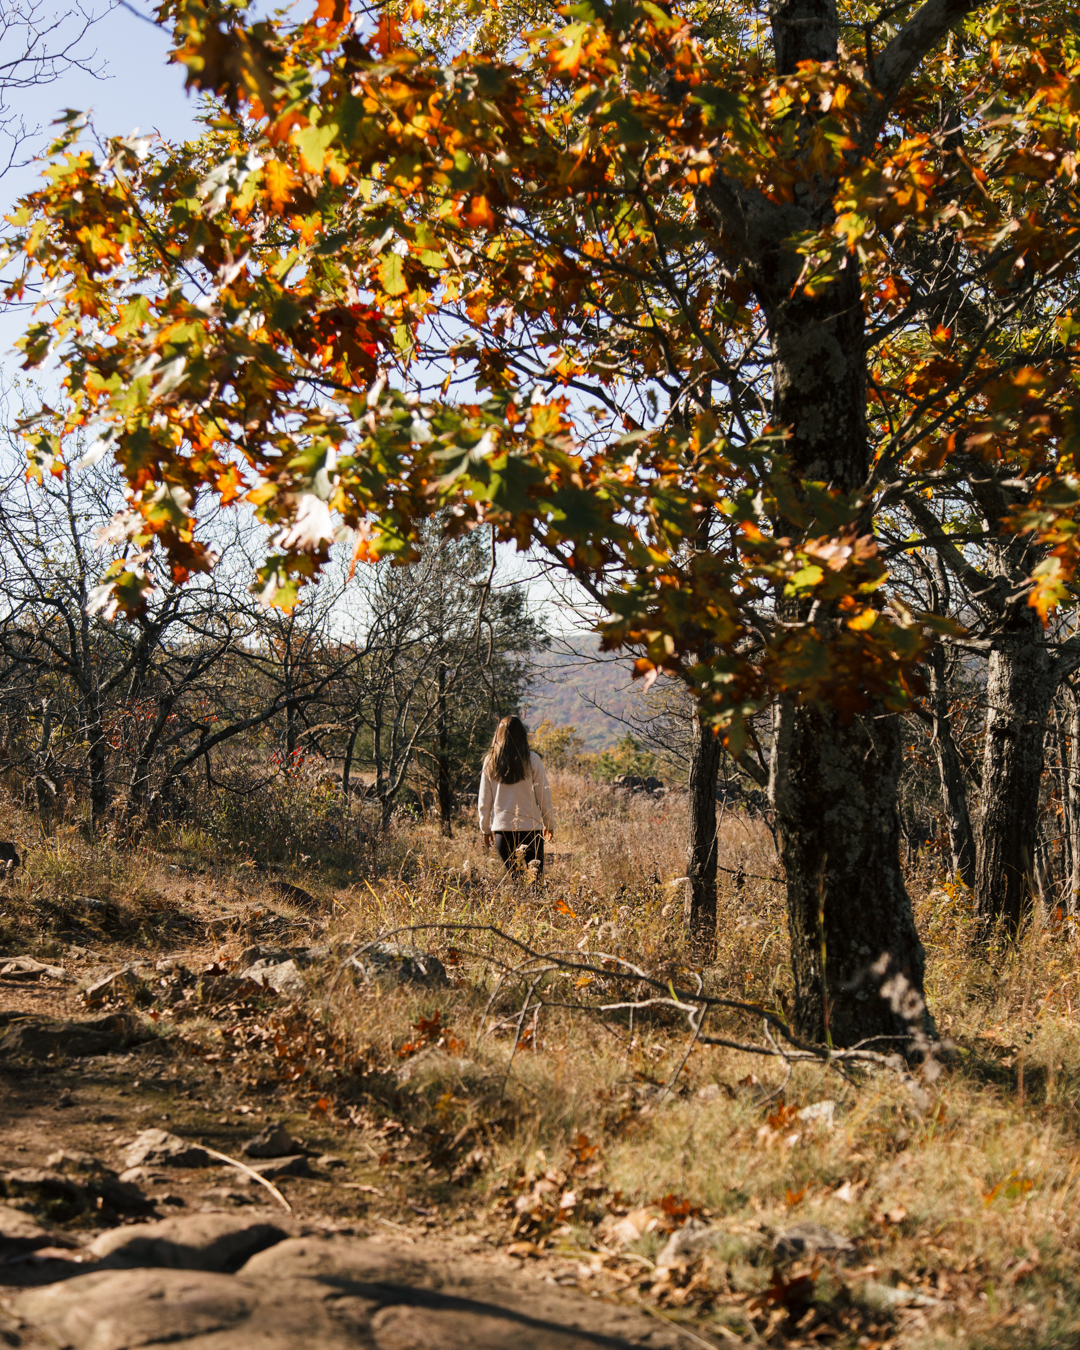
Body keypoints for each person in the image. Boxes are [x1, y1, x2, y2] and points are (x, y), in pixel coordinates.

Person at [478, 716, 554, 876]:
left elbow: (484, 800)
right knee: (535, 883)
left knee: (516, 881)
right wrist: (549, 824)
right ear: (522, 735)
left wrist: (485, 829)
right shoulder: (532, 759)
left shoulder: (490, 761)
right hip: (531, 829)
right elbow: (544, 795)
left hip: (502, 831)